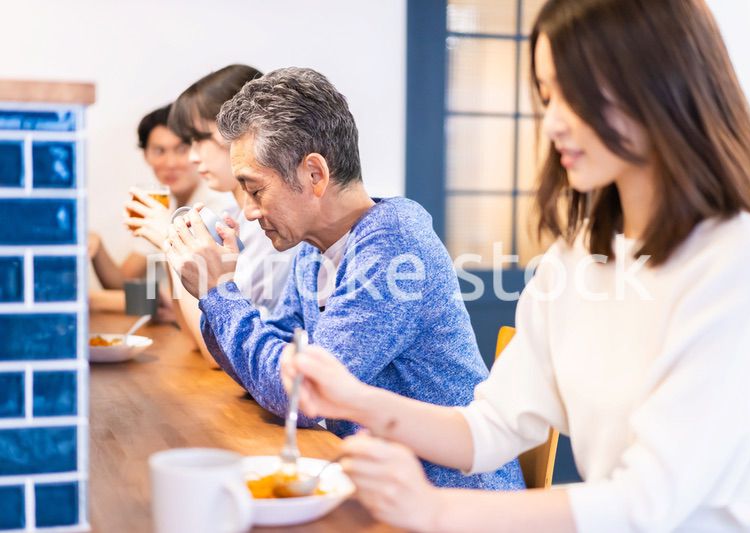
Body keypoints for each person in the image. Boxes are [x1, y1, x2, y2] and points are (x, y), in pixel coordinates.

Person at [279, 1, 750, 531]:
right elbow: (490, 429)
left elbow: (647, 504)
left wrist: (436, 509)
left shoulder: (735, 263)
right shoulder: (579, 257)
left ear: (661, 86)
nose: (551, 122)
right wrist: (357, 400)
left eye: (574, 95)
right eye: (548, 96)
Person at [163, 67, 524, 490]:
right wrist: (216, 295)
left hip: (450, 500)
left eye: (256, 190)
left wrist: (218, 292)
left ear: (314, 174)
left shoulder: (394, 250)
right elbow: (269, 365)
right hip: (378, 485)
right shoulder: (311, 253)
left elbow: (297, 393)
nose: (249, 212)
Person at [166, 64, 296, 318]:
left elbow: (221, 347)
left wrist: (175, 245)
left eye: (200, 138)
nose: (192, 157)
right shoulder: (232, 216)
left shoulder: (270, 226)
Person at [89, 104, 233, 319]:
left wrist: (90, 300)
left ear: (197, 150)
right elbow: (123, 282)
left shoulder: (216, 208)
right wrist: (97, 246)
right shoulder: (164, 205)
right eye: (159, 151)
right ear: (146, 155)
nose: (170, 163)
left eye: (181, 149)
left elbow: (166, 301)